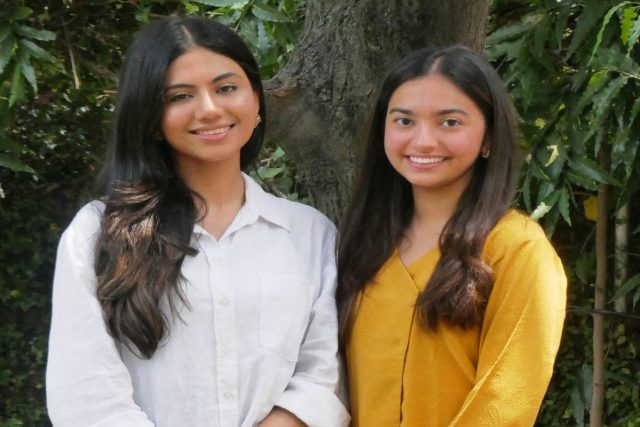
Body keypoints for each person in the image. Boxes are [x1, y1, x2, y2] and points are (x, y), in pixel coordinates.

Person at [46, 16, 349, 427]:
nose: (209, 109)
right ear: (150, 115)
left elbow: (323, 374)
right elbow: (85, 394)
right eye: (180, 96)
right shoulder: (98, 234)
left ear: (256, 100)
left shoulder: (310, 234)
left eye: (226, 88)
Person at [336, 46, 567, 426]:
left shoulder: (515, 248)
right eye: (404, 121)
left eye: (449, 123)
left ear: (489, 136)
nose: (424, 141)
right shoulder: (362, 242)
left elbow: (504, 403)